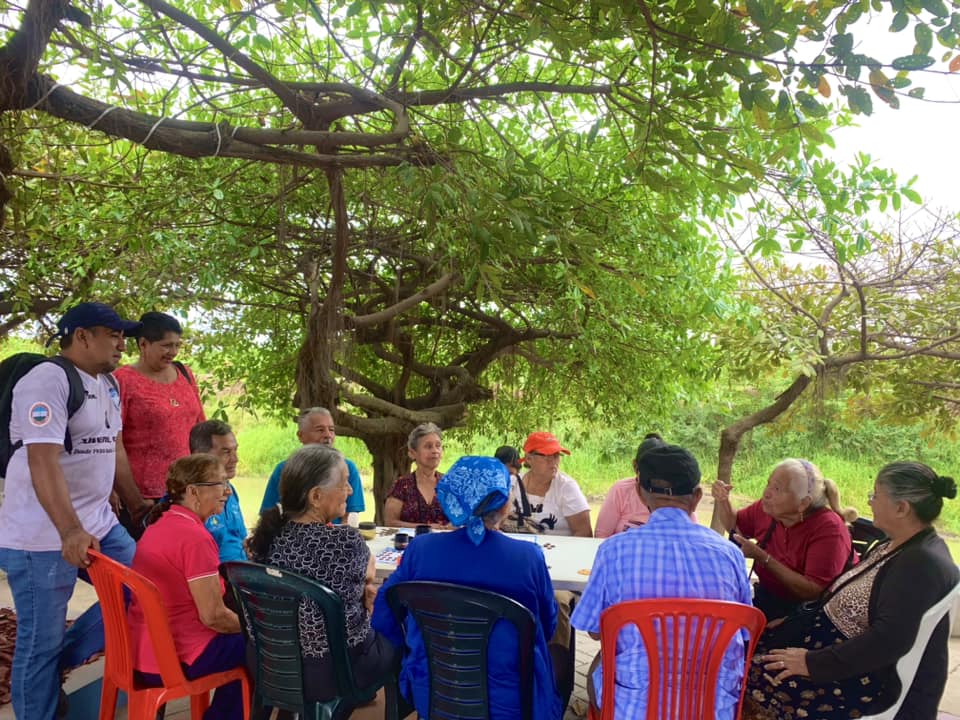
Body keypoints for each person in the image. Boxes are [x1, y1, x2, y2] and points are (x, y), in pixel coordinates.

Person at [0, 301, 149, 720]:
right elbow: (42, 460)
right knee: (39, 641)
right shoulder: (47, 379)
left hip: (99, 522)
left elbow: (114, 448)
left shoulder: (109, 383)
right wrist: (69, 531)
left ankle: (54, 663)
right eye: (113, 335)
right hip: (43, 536)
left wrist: (137, 505)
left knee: (145, 590)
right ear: (81, 336)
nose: (122, 344)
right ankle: (42, 696)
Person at [743, 462, 960, 720]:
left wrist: (811, 663)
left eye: (875, 496)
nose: (869, 502)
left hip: (855, 679)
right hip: (829, 651)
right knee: (741, 649)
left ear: (901, 508)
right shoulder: (898, 545)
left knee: (742, 677)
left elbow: (887, 641)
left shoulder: (921, 564)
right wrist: (798, 621)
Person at [372, 456, 563, 720]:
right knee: (561, 658)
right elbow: (547, 627)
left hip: (433, 693)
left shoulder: (421, 550)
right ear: (504, 504)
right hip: (511, 702)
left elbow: (384, 612)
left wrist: (409, 650)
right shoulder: (527, 558)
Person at [571, 444, 753, 720]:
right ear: (697, 497)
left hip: (633, 709)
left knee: (600, 665)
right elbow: (745, 631)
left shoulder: (614, 551)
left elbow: (596, 631)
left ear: (640, 492)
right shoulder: (730, 555)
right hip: (713, 709)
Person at [247, 444, 395, 704]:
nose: (350, 490)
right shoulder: (344, 541)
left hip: (268, 664)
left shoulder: (265, 537)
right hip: (332, 671)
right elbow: (369, 571)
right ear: (315, 496)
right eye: (344, 483)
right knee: (400, 637)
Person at [130, 454, 246, 719]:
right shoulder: (195, 539)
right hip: (175, 656)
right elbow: (213, 617)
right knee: (265, 648)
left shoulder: (161, 524)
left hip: (145, 651)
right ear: (194, 491)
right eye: (220, 484)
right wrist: (254, 628)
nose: (227, 491)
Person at [711, 458, 857, 620]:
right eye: (768, 484)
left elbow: (813, 591)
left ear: (803, 503)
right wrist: (723, 501)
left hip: (811, 613)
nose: (766, 493)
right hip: (770, 599)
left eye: (777, 488)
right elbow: (735, 525)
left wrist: (763, 557)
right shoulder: (767, 509)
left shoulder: (829, 528)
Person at [114, 312, 205, 532]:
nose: (173, 352)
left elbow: (201, 427)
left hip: (186, 493)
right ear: (143, 344)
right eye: (166, 346)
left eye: (177, 345)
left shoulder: (184, 373)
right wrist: (128, 497)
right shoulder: (122, 380)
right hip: (142, 499)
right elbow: (112, 442)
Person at [258, 407, 364, 524]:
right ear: (301, 435)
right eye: (320, 430)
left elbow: (349, 519)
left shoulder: (347, 469)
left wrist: (339, 534)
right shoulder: (284, 469)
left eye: (331, 430)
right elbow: (269, 516)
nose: (327, 435)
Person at [508, 431, 591, 537]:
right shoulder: (511, 484)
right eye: (546, 456)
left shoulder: (566, 487)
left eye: (556, 456)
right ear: (529, 458)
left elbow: (584, 533)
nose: (553, 462)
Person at [190, 420, 247, 563]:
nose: (235, 459)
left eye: (235, 450)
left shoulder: (230, 490)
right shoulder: (188, 498)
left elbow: (241, 538)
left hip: (243, 567)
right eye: (226, 452)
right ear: (199, 455)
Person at [594, 433, 666, 538]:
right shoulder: (620, 491)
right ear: (635, 466)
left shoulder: (676, 495)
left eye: (660, 469)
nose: (654, 476)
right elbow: (601, 536)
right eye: (648, 469)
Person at [383, 422, 447, 527]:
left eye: (438, 446)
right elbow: (390, 522)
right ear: (412, 453)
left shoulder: (449, 484)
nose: (435, 451)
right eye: (428, 446)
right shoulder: (402, 485)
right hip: (410, 538)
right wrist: (426, 528)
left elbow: (464, 518)